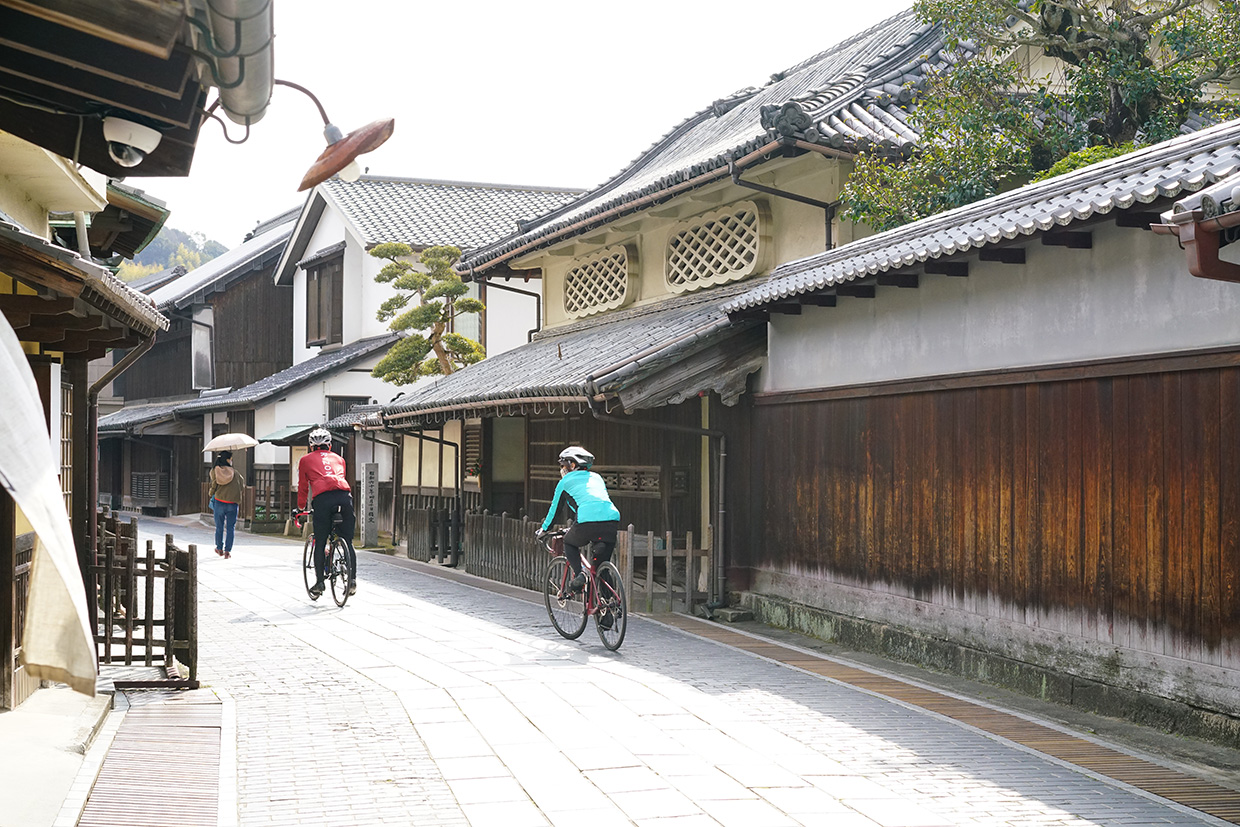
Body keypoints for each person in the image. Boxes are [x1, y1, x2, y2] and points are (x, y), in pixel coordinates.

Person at [536, 446, 621, 602]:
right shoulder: (596, 477)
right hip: (611, 520)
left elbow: (555, 510)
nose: (562, 469)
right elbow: (593, 503)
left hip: (586, 523)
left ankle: (580, 574)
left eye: (563, 465)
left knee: (569, 541)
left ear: (572, 465)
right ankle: (610, 607)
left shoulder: (564, 482)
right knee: (601, 567)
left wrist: (544, 529)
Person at [296, 427, 356, 599]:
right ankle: (352, 581)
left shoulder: (306, 460)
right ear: (329, 445)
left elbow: (303, 486)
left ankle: (320, 582)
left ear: (311, 446)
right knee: (348, 540)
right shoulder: (339, 459)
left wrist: (300, 508)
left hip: (323, 499)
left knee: (320, 541)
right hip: (344, 497)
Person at [208, 451, 244, 559]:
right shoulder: (235, 473)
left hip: (219, 502)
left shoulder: (215, 471)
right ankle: (228, 551)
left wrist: (211, 493)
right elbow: (241, 484)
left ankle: (219, 548)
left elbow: (214, 484)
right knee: (230, 528)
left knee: (219, 527)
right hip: (232, 504)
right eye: (231, 458)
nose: (231, 460)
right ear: (228, 460)